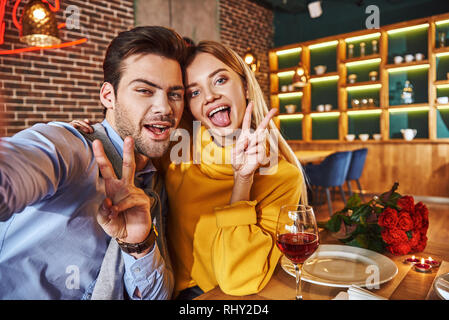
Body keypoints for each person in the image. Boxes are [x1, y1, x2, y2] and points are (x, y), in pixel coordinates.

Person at [73, 40, 307, 299]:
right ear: (190, 107)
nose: (209, 96)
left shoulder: (282, 177)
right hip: (166, 290)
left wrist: (243, 179)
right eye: (194, 92)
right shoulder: (178, 152)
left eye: (219, 80)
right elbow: (133, 142)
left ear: (245, 86)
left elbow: (238, 281)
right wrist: (97, 133)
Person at [0, 26, 186, 299]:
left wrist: (140, 244)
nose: (166, 108)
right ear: (108, 96)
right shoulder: (70, 146)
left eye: (175, 94)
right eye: (145, 90)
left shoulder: (154, 183)